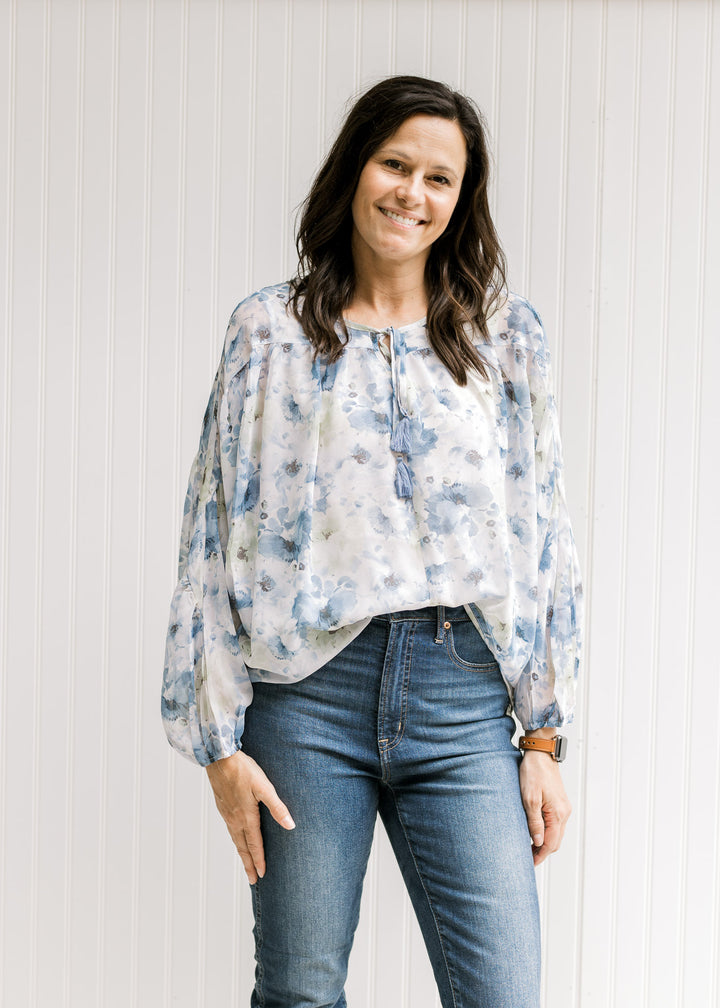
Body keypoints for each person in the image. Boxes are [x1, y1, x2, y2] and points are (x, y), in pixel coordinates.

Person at [162, 75, 582, 1008]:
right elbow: (211, 533)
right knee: (302, 992)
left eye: (440, 178)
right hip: (305, 700)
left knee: (502, 994)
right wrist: (218, 746)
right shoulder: (267, 333)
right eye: (395, 164)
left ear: (460, 201)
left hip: (461, 695)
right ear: (355, 170)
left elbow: (541, 531)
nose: (412, 193)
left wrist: (544, 735)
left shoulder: (504, 339)